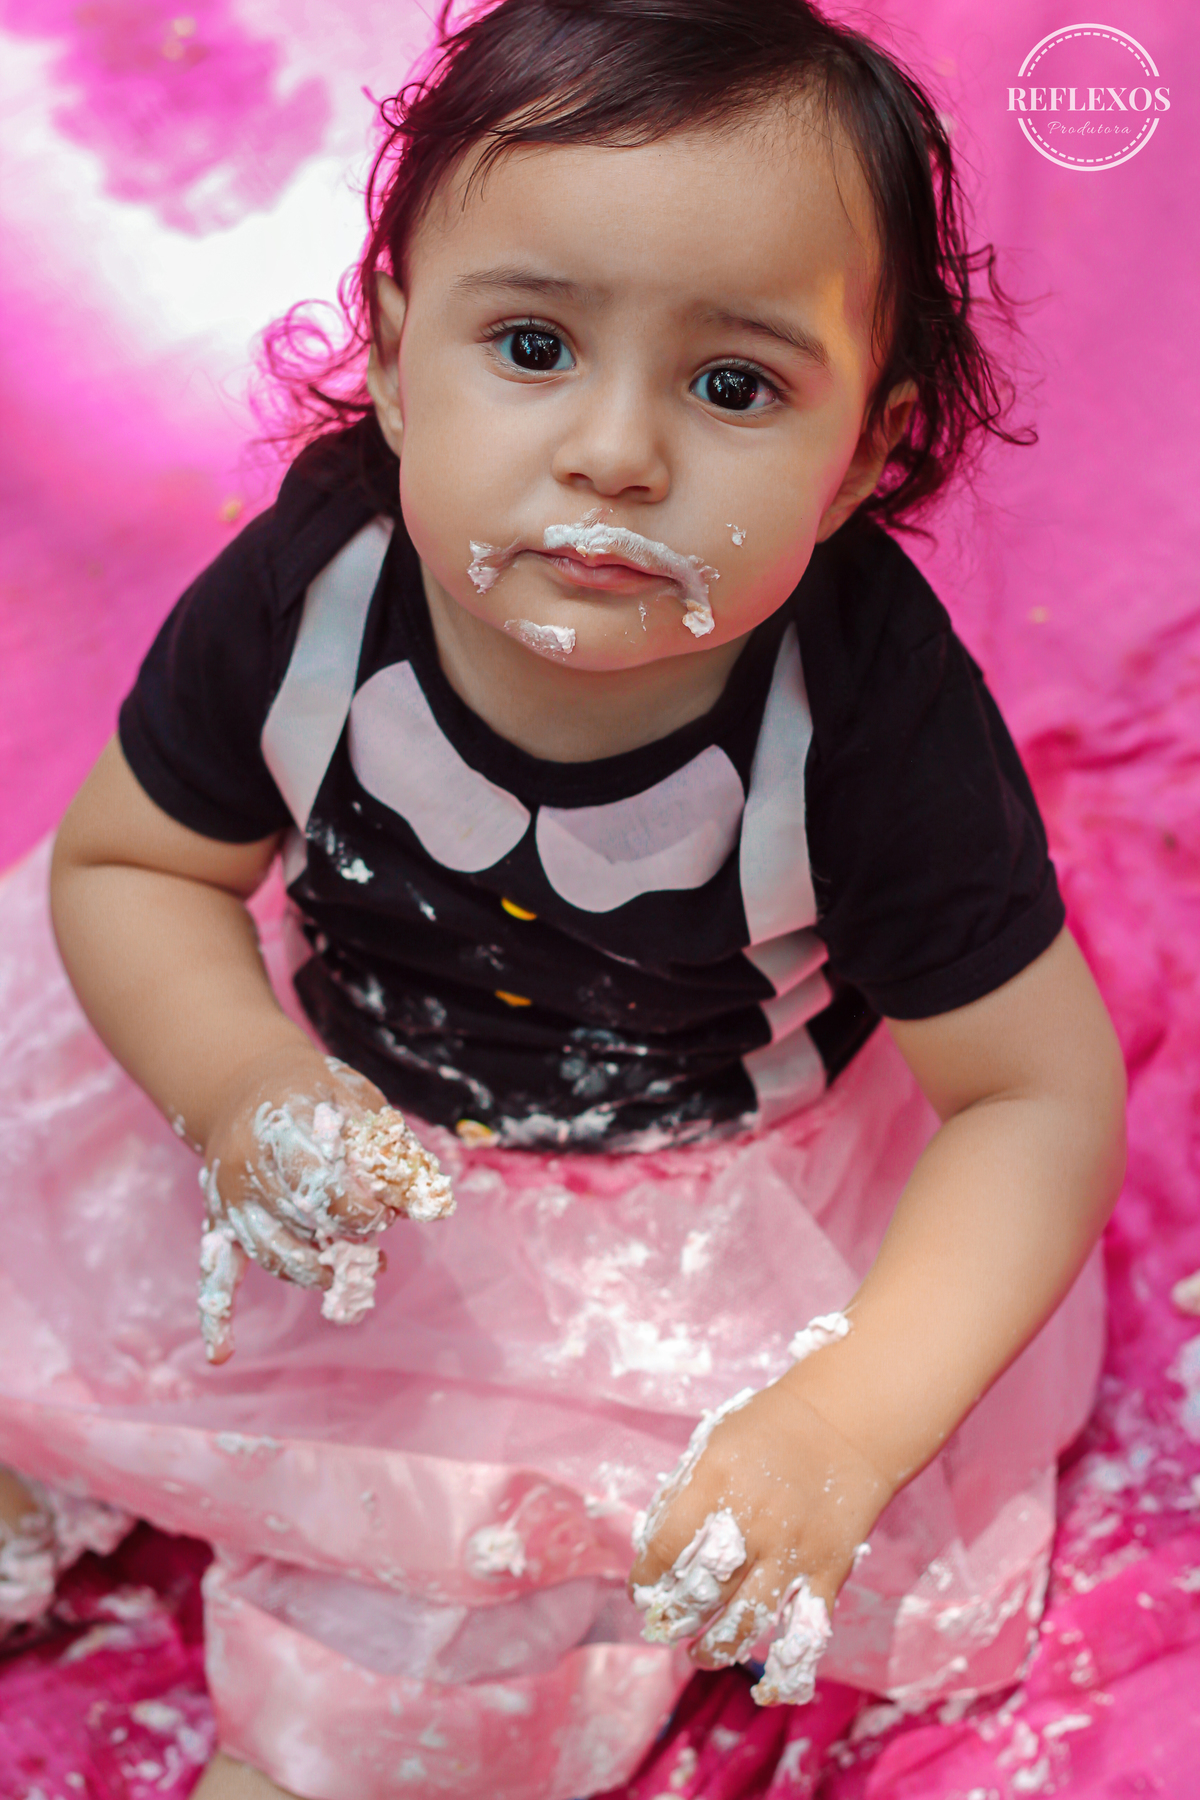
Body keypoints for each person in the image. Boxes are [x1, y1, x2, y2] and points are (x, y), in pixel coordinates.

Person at [0, 0, 1126, 1795]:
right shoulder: (321, 584)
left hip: (664, 1225)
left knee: (477, 1609)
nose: (615, 453)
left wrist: (840, 1421)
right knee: (50, 1270)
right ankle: (57, 1449)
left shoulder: (867, 723)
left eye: (734, 384)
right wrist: (236, 1090)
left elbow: (1037, 1098)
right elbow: (140, 866)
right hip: (313, 1091)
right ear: (389, 353)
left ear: (872, 450)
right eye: (530, 344)